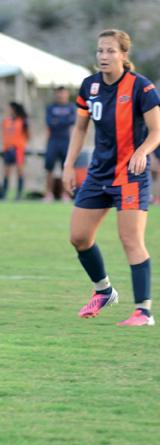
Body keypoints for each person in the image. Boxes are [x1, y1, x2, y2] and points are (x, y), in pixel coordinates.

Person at [63, 29, 160, 326]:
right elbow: (80, 129)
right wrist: (68, 166)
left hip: (130, 175)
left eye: (110, 51)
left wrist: (142, 151)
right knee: (79, 237)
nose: (104, 56)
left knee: (130, 239)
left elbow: (156, 131)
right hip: (98, 173)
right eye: (100, 51)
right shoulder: (89, 86)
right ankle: (103, 291)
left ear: (123, 55)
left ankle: (144, 311)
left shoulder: (141, 88)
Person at [44, 86, 76, 201]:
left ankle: (65, 194)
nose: (61, 95)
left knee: (66, 167)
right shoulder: (51, 107)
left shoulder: (71, 107)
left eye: (63, 93)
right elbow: (49, 122)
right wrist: (63, 120)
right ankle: (48, 193)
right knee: (49, 168)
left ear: (67, 94)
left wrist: (58, 120)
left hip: (66, 140)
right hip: (53, 140)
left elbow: (72, 121)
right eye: (59, 93)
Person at [1, 101, 29, 200]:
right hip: (7, 149)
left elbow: (27, 135)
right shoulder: (6, 121)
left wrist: (21, 145)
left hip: (18, 149)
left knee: (20, 171)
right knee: (6, 172)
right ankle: (4, 194)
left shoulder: (22, 121)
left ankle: (19, 194)